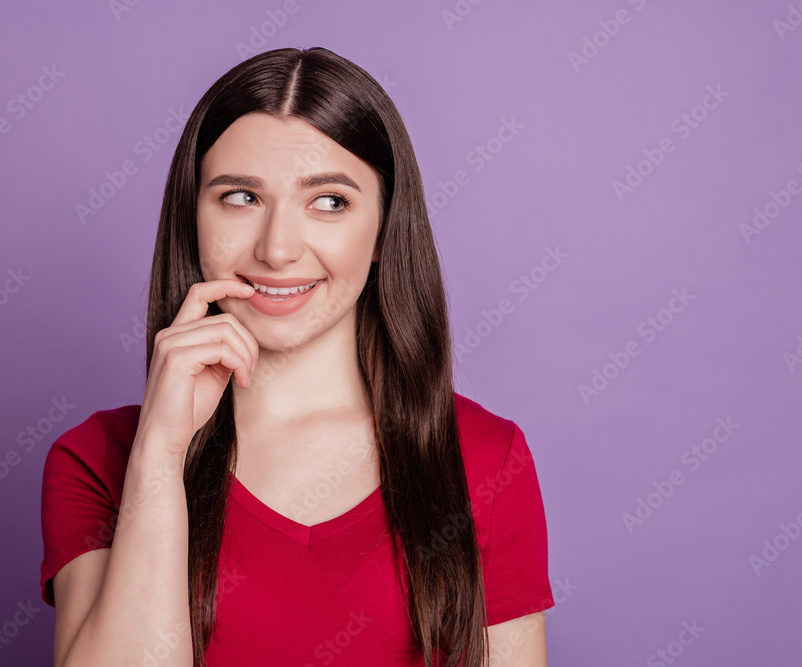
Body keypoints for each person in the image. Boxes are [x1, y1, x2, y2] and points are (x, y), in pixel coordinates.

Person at [39, 46, 554, 666]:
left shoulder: (485, 459)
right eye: (240, 197)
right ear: (192, 217)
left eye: (329, 201)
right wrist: (160, 456)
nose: (278, 249)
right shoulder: (99, 459)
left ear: (385, 231)